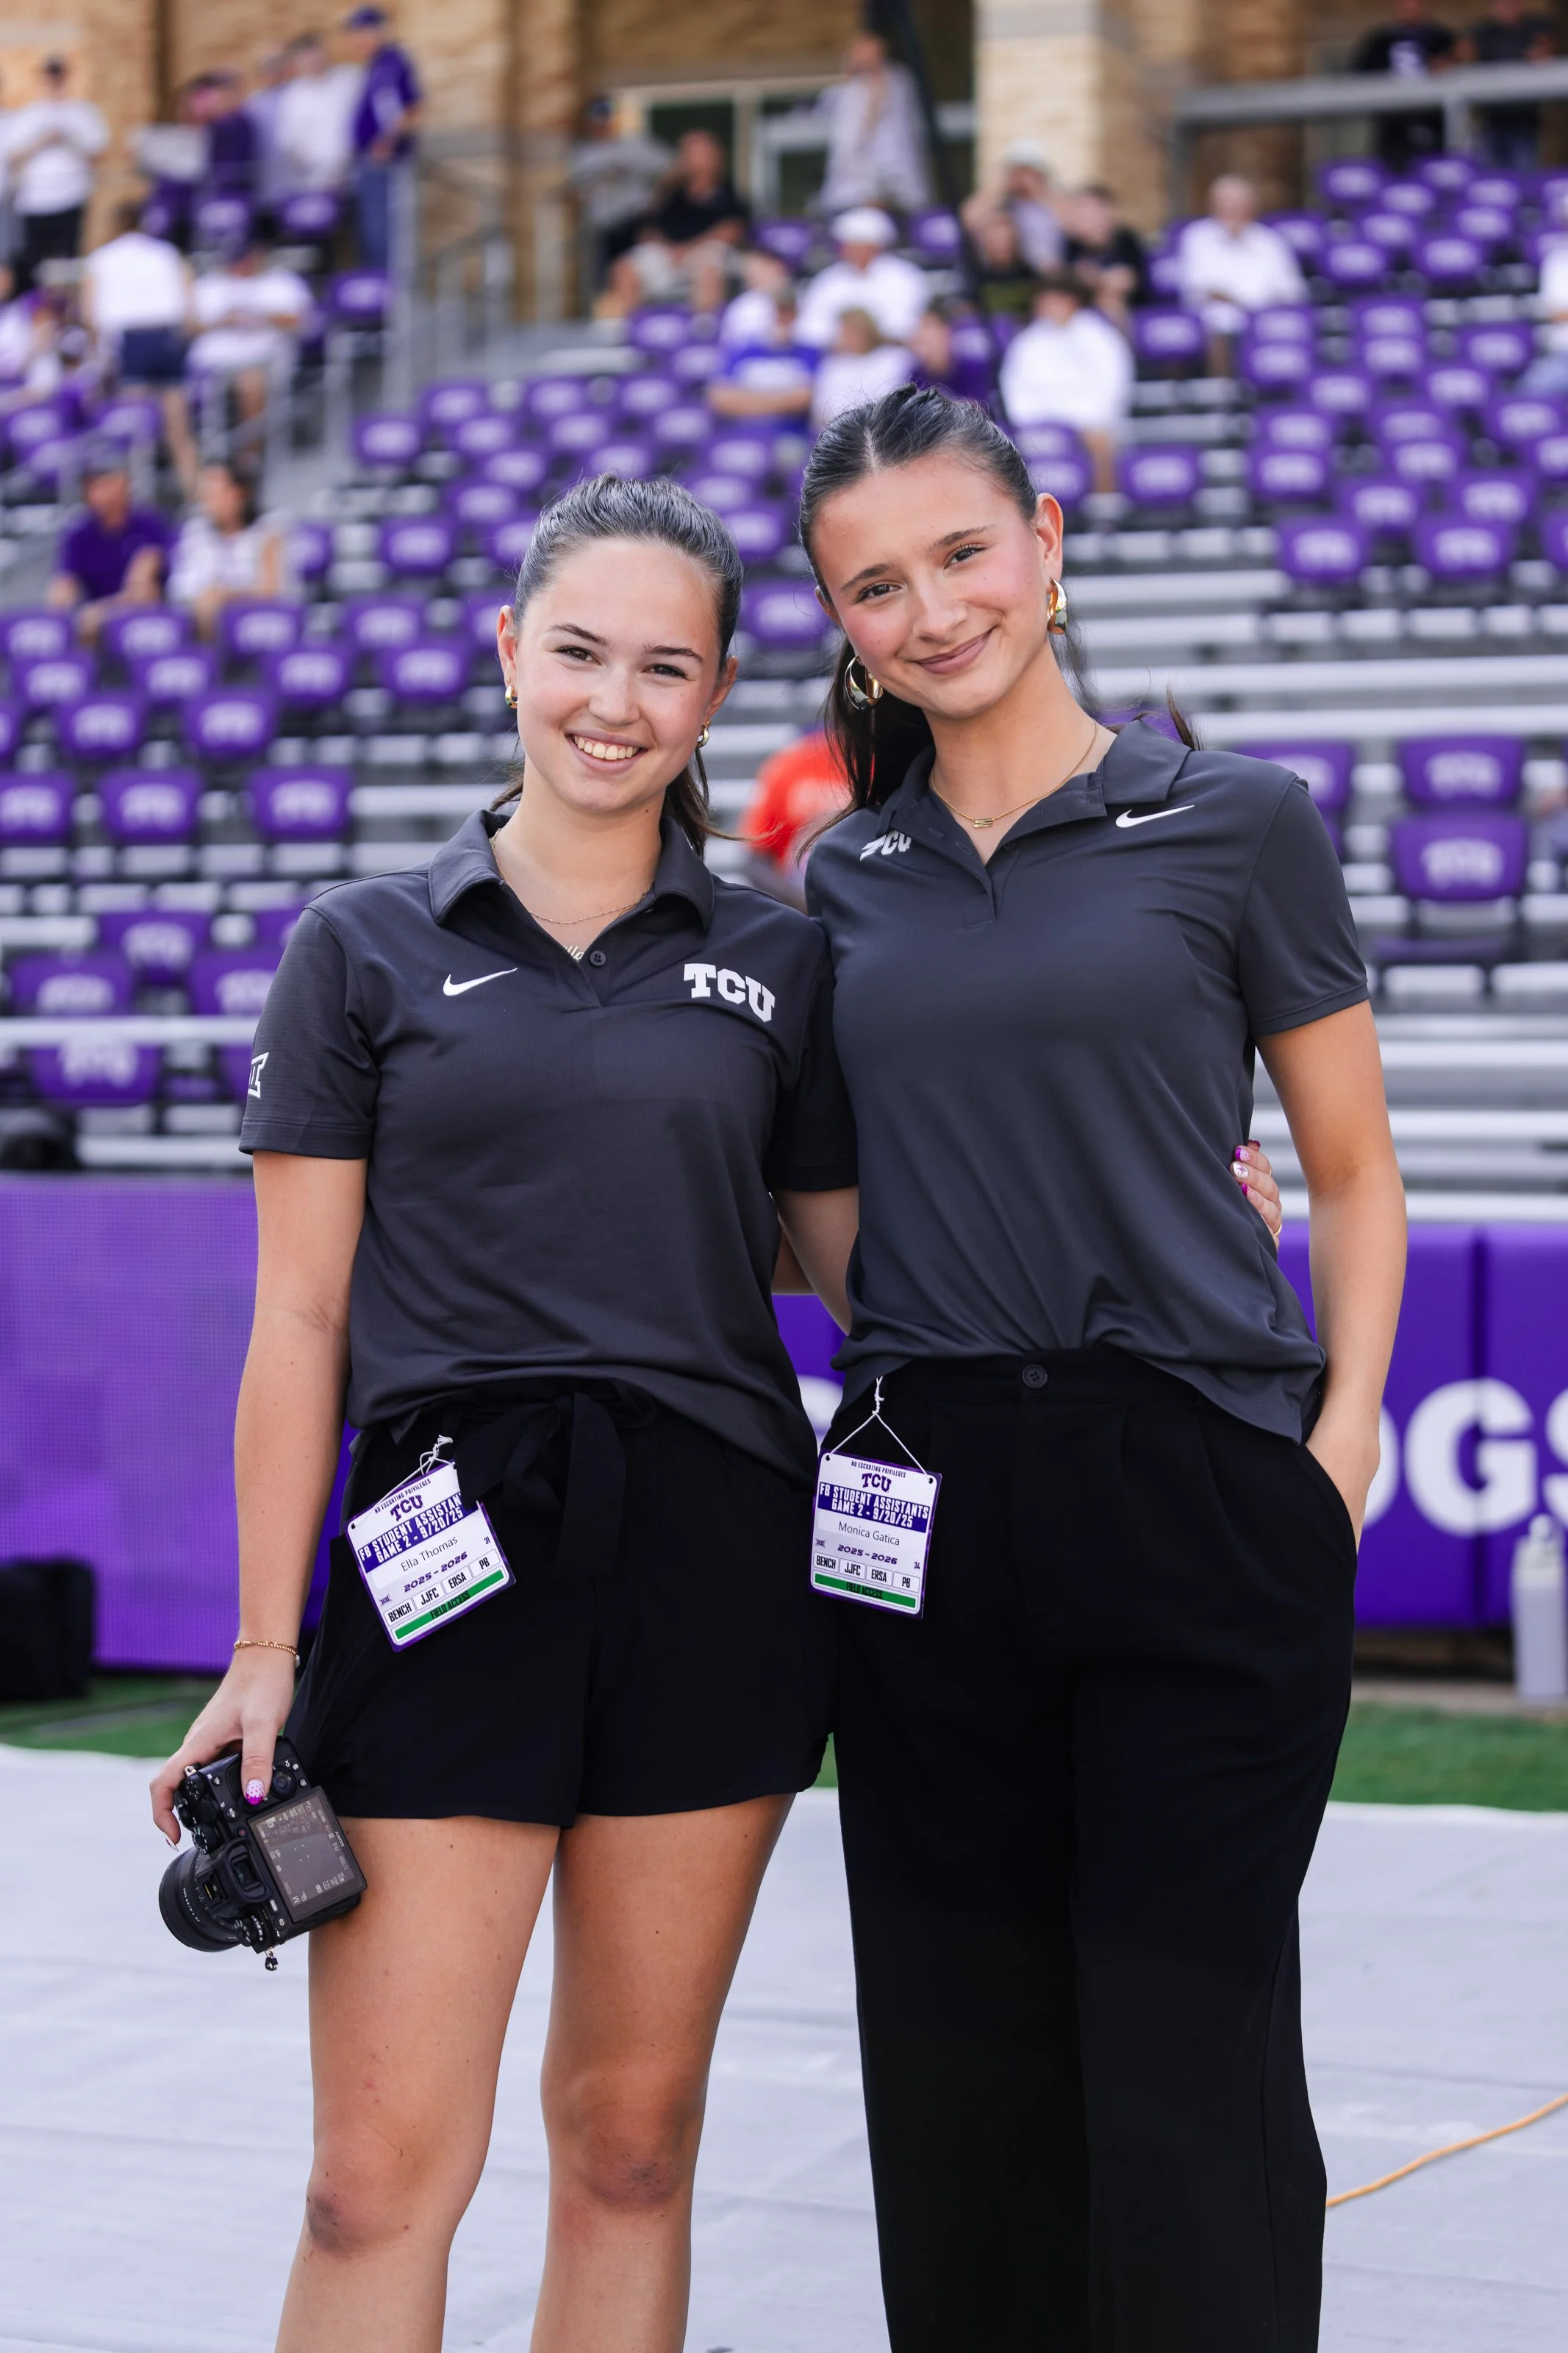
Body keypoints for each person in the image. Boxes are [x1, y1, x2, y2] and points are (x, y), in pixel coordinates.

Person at [148, 474, 862, 2353]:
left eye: (663, 665)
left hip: (713, 1551)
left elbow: (875, 1276)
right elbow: (298, 1315)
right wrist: (261, 1645)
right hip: (442, 1553)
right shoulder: (363, 947)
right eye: (576, 652)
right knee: (373, 2177)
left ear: (714, 698)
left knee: (629, 2145)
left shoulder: (781, 959)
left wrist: (1157, 1186)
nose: (611, 700)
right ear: (505, 653)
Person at [799, 384, 1404, 2353]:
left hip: (1192, 1477)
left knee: (1181, 2054)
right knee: (957, 2063)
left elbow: (1347, 1169)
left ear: (1044, 543)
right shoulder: (843, 885)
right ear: (845, 626)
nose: (928, 608)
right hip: (925, 1491)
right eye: (873, 585)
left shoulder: (1234, 822)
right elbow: (825, 1222)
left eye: (958, 553)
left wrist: (1330, 1446)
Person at [80, 201, 199, 494]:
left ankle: (137, 502)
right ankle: (197, 499)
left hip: (131, 342)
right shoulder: (167, 253)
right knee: (179, 433)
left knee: (134, 432)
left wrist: (100, 354)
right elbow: (189, 303)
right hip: (167, 339)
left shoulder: (101, 259)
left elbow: (88, 314)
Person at [1000, 270, 1132, 492]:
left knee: (1101, 442)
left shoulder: (1099, 336)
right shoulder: (1026, 341)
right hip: (1038, 422)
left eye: (1049, 299)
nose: (1043, 305)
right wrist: (1035, 422)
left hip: (1087, 422)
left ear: (1070, 301)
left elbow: (1113, 385)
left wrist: (1079, 422)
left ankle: (1104, 511)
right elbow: (1013, 387)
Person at [606, 129, 748, 318]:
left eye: (698, 152)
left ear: (715, 157)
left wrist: (686, 249)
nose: (691, 158)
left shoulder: (729, 195)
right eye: (687, 152)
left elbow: (730, 232)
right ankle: (634, 329)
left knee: (709, 266)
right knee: (623, 267)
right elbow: (646, 229)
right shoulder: (670, 195)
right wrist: (670, 249)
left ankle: (703, 333)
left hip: (703, 255)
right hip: (668, 255)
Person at [1177, 174, 1306, 376]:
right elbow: (1205, 289)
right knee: (1218, 323)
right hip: (1218, 317)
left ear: (1252, 206)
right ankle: (1222, 394)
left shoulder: (1271, 241)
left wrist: (1259, 310)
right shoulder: (1196, 236)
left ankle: (1279, 397)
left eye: (1238, 203)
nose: (1231, 209)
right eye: (1225, 203)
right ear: (1212, 206)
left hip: (1266, 316)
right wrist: (1247, 306)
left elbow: (1291, 291)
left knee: (1290, 323)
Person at [1, 56, 108, 294]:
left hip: (70, 196)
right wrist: (43, 141)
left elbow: (97, 154)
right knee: (33, 261)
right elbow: (13, 156)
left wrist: (68, 139)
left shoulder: (82, 111)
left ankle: (66, 309)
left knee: (67, 260)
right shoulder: (29, 114)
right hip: (34, 199)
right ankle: (34, 309)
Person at [187, 239, 313, 435]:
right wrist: (223, 321)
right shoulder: (208, 285)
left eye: (245, 258)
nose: (240, 265)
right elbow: (188, 328)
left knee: (250, 383)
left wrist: (262, 316)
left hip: (262, 361)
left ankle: (249, 458)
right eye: (235, 260)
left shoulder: (280, 282)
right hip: (212, 364)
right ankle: (209, 453)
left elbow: (304, 322)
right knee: (172, 389)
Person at [46, 449, 172, 640]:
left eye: (106, 484)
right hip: (93, 616)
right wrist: (61, 605)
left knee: (147, 595)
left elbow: (141, 585)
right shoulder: (79, 532)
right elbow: (65, 583)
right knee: (67, 613)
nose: (99, 493)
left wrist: (100, 612)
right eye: (93, 486)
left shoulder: (149, 523)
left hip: (144, 614)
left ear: (125, 484)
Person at [168, 457, 290, 637]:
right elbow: (182, 589)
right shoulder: (195, 531)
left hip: (263, 624)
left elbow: (271, 593)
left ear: (240, 493)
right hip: (204, 625)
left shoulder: (271, 528)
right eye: (205, 491)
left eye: (215, 489)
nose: (207, 498)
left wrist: (227, 595)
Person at [342, 4, 422, 274]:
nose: (356, 40)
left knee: (387, 234)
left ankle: (394, 307)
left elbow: (410, 109)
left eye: (361, 32)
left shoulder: (392, 61)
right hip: (370, 164)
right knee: (372, 233)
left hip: (386, 165)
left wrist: (386, 144)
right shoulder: (376, 65)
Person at [816, 30, 931, 218]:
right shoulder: (849, 87)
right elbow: (827, 113)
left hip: (895, 175)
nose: (862, 57)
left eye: (868, 52)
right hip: (853, 182)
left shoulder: (898, 79)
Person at [567, 94, 671, 296]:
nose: (601, 121)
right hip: (603, 227)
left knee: (640, 275)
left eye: (606, 114)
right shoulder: (582, 154)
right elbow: (577, 192)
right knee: (605, 283)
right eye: (596, 116)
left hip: (635, 222)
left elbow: (671, 169)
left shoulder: (634, 146)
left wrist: (656, 198)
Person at [741, 727, 852, 908]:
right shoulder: (789, 765)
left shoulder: (877, 765)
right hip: (796, 905)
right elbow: (755, 862)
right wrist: (801, 903)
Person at [796, 207, 929, 351]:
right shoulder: (827, 280)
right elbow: (808, 327)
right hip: (837, 358)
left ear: (875, 246)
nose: (847, 250)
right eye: (846, 244)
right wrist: (843, 339)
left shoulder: (905, 277)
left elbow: (907, 326)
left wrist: (866, 338)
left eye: (856, 244)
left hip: (890, 355)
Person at [1354, 0, 1457, 170]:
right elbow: (1358, 76)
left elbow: (1462, 66)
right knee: (1394, 177)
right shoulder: (1380, 41)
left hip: (1433, 124)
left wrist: (1448, 65)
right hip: (1393, 127)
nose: (1410, 7)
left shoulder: (1441, 37)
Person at [1460, 0, 1554, 168]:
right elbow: (1466, 56)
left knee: (1524, 172)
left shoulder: (1533, 27)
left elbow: (1545, 50)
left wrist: (1541, 52)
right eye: (1502, 4)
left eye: (1512, 4)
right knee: (1490, 174)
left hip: (1524, 118)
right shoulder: (1485, 32)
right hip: (1492, 118)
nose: (1507, 8)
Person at [706, 284, 816, 421]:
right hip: (744, 428)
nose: (783, 317)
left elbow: (804, 399)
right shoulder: (744, 351)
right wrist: (782, 400)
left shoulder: (809, 352)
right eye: (779, 310)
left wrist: (747, 399)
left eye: (789, 311)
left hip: (787, 433)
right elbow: (720, 398)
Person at [274, 32, 360, 199]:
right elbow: (290, 144)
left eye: (315, 54)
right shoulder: (292, 97)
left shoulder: (351, 79)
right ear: (296, 62)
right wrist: (315, 171)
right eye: (305, 58)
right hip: (317, 183)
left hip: (357, 174)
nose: (312, 61)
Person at [962, 139, 1062, 276]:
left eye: (1029, 173)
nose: (1023, 179)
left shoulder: (1051, 206)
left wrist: (1038, 192)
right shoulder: (1003, 205)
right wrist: (1004, 187)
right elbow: (968, 218)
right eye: (1018, 173)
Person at [1061, 184, 1148, 333]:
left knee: (1110, 296)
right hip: (1080, 303)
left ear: (1108, 212)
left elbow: (1132, 279)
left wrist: (1100, 279)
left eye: (1093, 213)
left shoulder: (1127, 240)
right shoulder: (1071, 244)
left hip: (1125, 303)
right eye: (1082, 212)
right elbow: (1068, 279)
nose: (1087, 218)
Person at [812, 305, 914, 431]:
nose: (848, 337)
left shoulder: (894, 359)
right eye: (844, 331)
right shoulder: (832, 366)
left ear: (866, 331)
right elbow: (821, 414)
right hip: (841, 435)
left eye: (853, 331)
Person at [908, 302, 994, 404]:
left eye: (929, 341)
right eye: (921, 342)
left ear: (946, 333)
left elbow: (980, 408)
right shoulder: (915, 375)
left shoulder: (973, 369)